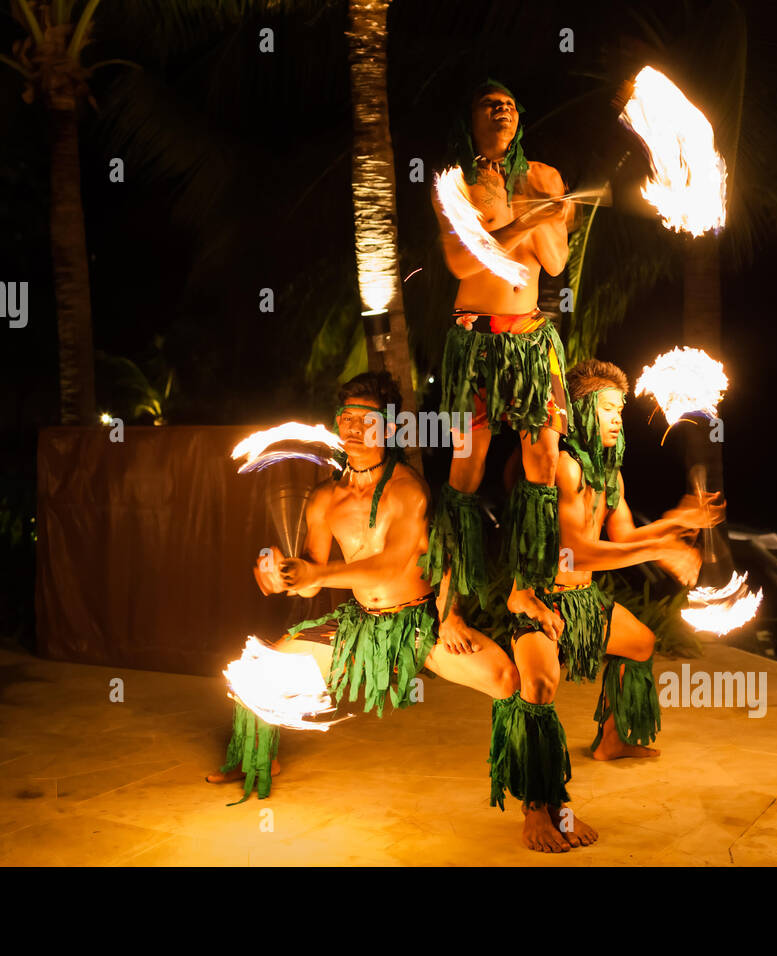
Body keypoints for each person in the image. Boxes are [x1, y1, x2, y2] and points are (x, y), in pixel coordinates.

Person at [208, 371, 520, 801]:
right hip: (362, 624)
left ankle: (532, 794)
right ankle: (258, 759)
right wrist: (284, 575)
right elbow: (312, 581)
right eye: (347, 418)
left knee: (506, 679)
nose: (354, 428)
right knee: (257, 672)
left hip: (421, 622)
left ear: (389, 428)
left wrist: (451, 615)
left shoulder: (407, 489)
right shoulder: (324, 498)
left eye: (366, 419)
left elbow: (390, 566)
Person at [490, 359, 725, 851]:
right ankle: (538, 810)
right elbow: (577, 552)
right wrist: (660, 548)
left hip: (584, 601)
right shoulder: (567, 468)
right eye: (607, 409)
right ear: (577, 413)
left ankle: (611, 740)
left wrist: (671, 523)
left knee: (639, 642)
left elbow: (623, 537)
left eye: (620, 409)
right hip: (541, 601)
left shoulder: (608, 473)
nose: (618, 418)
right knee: (537, 686)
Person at [422, 78, 576, 646]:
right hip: (475, 342)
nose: (504, 110)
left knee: (542, 465)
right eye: (491, 104)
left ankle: (526, 585)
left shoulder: (545, 177)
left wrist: (532, 218)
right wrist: (529, 222)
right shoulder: (454, 184)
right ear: (471, 119)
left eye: (511, 103)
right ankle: (451, 605)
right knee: (466, 473)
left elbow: (556, 264)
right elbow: (464, 263)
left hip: (532, 340)